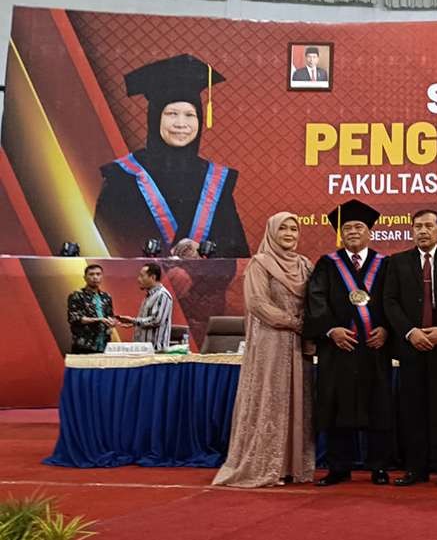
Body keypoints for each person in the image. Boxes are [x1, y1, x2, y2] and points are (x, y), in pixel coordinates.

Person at [94, 54, 248, 258]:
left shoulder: (215, 179)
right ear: (155, 119)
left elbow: (236, 249)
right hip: (139, 285)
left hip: (203, 287)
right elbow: (105, 244)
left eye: (190, 115)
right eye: (171, 114)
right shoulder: (123, 177)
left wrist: (203, 251)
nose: (181, 124)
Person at [213, 213, 314, 487]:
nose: (290, 233)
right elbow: (258, 303)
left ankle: (293, 467)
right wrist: (296, 323)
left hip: (298, 345)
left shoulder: (305, 264)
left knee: (296, 400)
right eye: (284, 228)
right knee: (272, 396)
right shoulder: (260, 264)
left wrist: (312, 326)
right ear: (271, 231)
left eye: (294, 228)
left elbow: (315, 299)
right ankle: (267, 466)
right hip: (272, 341)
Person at [303, 199, 393, 487]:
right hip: (338, 350)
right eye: (347, 227)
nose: (353, 231)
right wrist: (331, 330)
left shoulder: (385, 264)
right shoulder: (328, 264)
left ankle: (379, 466)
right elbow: (315, 301)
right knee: (335, 403)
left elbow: (394, 302)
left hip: (373, 348)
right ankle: (338, 467)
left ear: (370, 232)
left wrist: (387, 329)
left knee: (377, 405)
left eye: (358, 226)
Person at [383, 210, 437, 488]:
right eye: (418, 226)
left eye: (428, 226)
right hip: (411, 347)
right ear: (411, 230)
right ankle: (415, 469)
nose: (423, 231)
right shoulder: (397, 262)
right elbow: (390, 302)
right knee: (413, 410)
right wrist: (410, 332)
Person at [117, 263, 174, 351]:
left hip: (155, 351)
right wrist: (133, 323)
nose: (138, 279)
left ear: (153, 277)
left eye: (142, 276)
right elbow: (147, 319)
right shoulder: (149, 295)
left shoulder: (162, 295)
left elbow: (156, 320)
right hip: (143, 349)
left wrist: (134, 321)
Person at [66, 264, 117, 354]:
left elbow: (110, 316)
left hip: (103, 344)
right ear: (85, 277)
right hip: (84, 345)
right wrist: (99, 320)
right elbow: (75, 318)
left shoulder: (106, 296)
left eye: (98, 274)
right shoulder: (77, 295)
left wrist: (113, 322)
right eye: (91, 274)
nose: (95, 277)